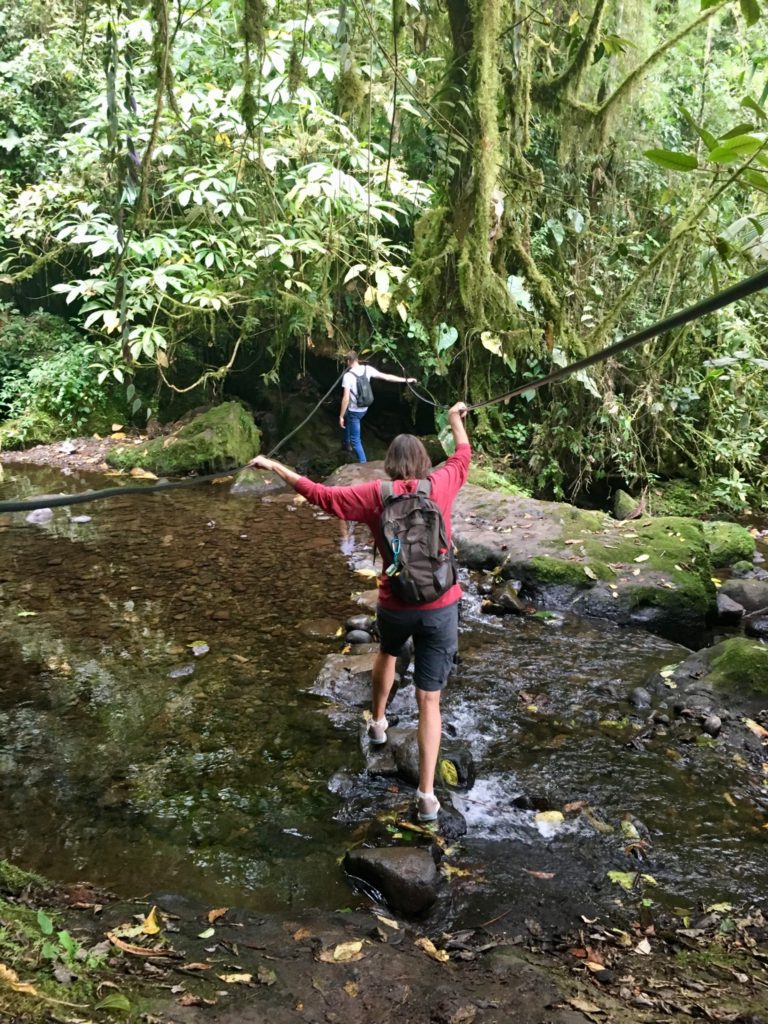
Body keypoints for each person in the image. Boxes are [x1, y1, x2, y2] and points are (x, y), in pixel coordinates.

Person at [249, 401, 470, 823]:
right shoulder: (440, 484)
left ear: (388, 466)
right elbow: (462, 454)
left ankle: (379, 723)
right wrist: (455, 419)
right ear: (423, 463)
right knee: (430, 699)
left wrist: (276, 467)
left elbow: (322, 496)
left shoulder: (373, 496)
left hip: (396, 604)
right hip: (442, 604)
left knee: (387, 652)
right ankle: (426, 795)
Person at [339, 350, 416, 463]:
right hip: (365, 408)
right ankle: (346, 442)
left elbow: (346, 398)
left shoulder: (348, 376)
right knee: (348, 418)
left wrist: (340, 415)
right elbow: (387, 377)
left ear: (349, 361)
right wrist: (406, 380)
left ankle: (364, 463)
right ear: (357, 359)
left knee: (355, 439)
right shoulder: (367, 369)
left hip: (354, 410)